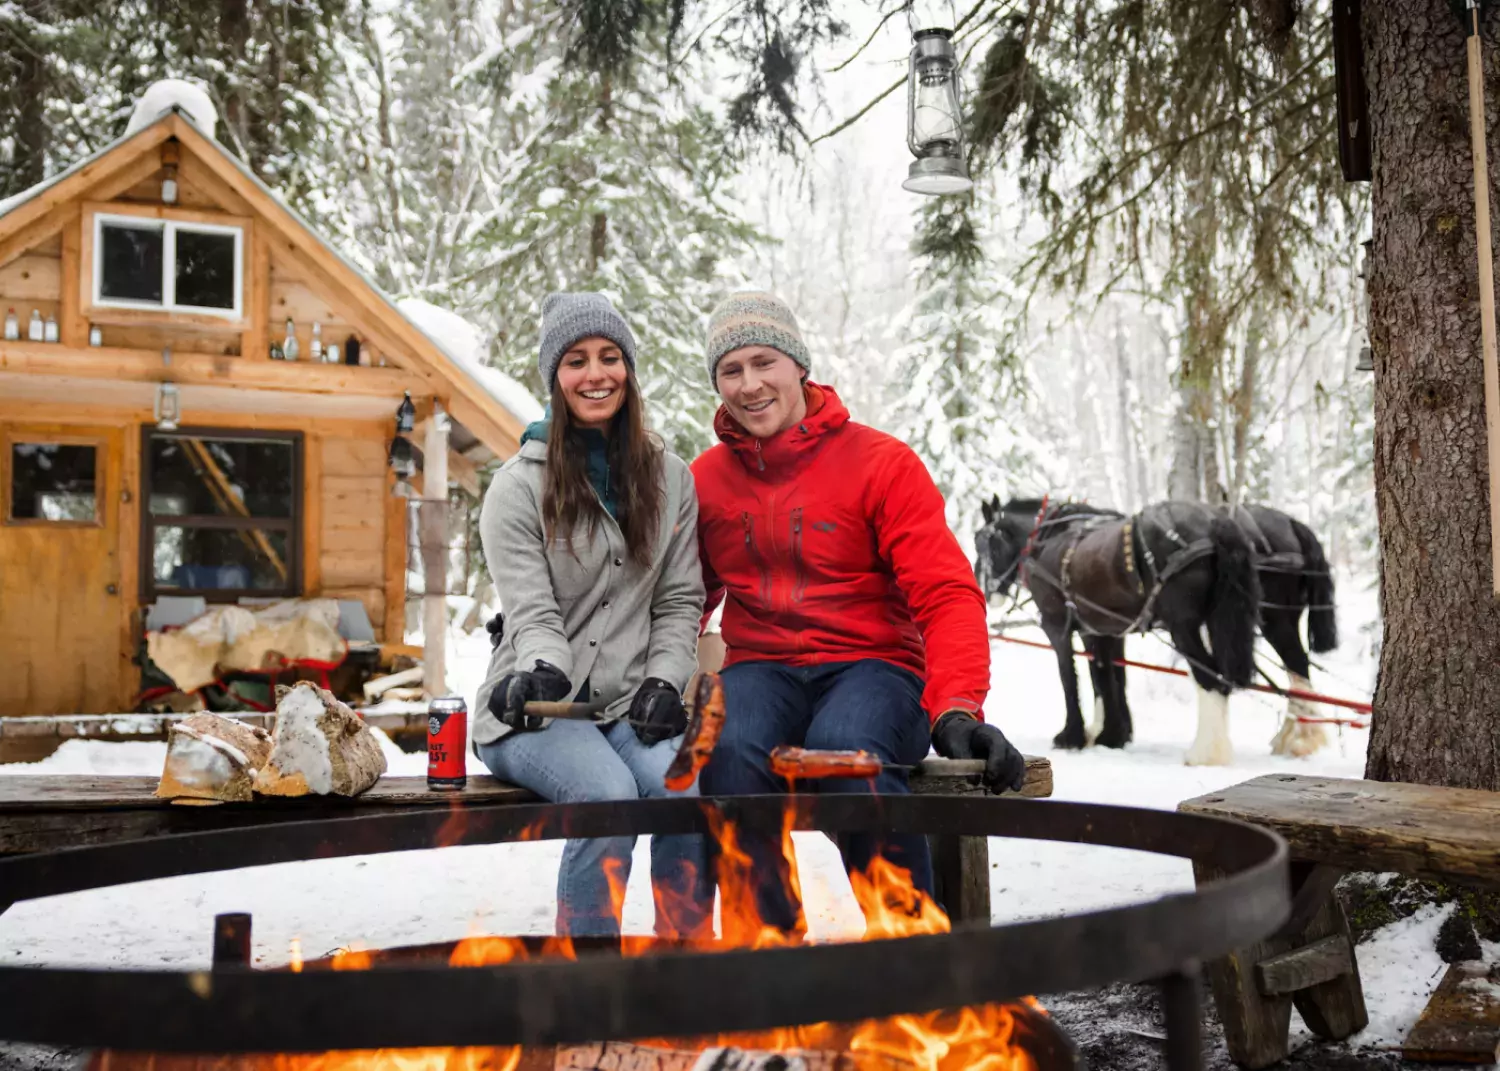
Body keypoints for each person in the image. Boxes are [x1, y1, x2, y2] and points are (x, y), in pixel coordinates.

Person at [693, 292, 1026, 933]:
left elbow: (947, 593)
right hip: (762, 666)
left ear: (799, 367)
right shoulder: (706, 480)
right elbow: (681, 599)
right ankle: (765, 952)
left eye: (765, 362)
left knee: (844, 751)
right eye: (731, 371)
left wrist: (957, 707)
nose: (750, 384)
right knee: (727, 750)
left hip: (873, 667)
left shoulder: (880, 464)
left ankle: (907, 953)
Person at [475, 292, 712, 940]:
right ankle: (588, 977)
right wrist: (546, 670)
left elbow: (678, 598)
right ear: (555, 377)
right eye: (576, 360)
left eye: (610, 356)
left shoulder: (671, 479)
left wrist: (666, 679)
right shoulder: (518, 487)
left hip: (628, 704)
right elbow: (532, 612)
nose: (595, 373)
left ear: (629, 371)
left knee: (680, 794)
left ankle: (689, 964)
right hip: (536, 708)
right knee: (608, 797)